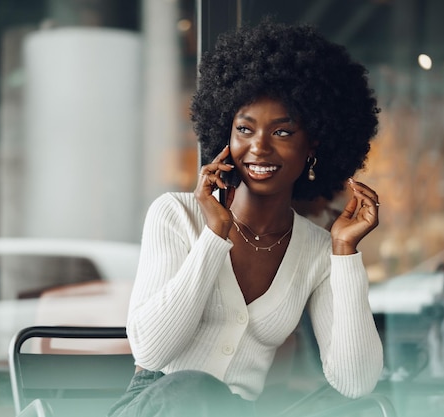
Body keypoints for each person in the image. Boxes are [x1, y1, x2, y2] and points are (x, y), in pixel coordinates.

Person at [108, 19, 383, 417]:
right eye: (244, 129)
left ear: (314, 145)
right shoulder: (176, 214)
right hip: (157, 404)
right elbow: (150, 350)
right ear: (226, 135)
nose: (259, 148)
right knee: (192, 389)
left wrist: (344, 252)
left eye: (282, 132)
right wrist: (214, 236)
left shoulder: (317, 251)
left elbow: (355, 383)